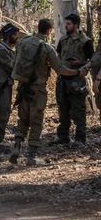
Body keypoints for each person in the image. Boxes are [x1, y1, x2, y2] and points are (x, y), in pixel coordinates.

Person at [10, 19, 83, 166]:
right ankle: (31, 156)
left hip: (22, 87)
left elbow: (14, 63)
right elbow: (61, 69)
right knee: (36, 121)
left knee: (23, 118)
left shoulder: (23, 42)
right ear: (49, 31)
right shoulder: (47, 48)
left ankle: (17, 146)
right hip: (38, 89)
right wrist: (77, 71)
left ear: (38, 28)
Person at [53, 13, 93, 147]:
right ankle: (63, 136)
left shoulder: (85, 41)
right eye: (66, 23)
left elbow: (92, 61)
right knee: (63, 109)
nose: (66, 26)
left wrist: (80, 64)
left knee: (78, 110)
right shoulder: (63, 40)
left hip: (77, 80)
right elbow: (58, 56)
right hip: (62, 80)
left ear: (76, 25)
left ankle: (80, 139)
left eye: (69, 24)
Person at [0, 23, 20, 153]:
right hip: (1, 87)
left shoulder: (7, 48)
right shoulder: (1, 50)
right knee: (1, 115)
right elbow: (12, 67)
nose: (16, 37)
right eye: (14, 35)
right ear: (8, 36)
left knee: (4, 113)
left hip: (6, 86)